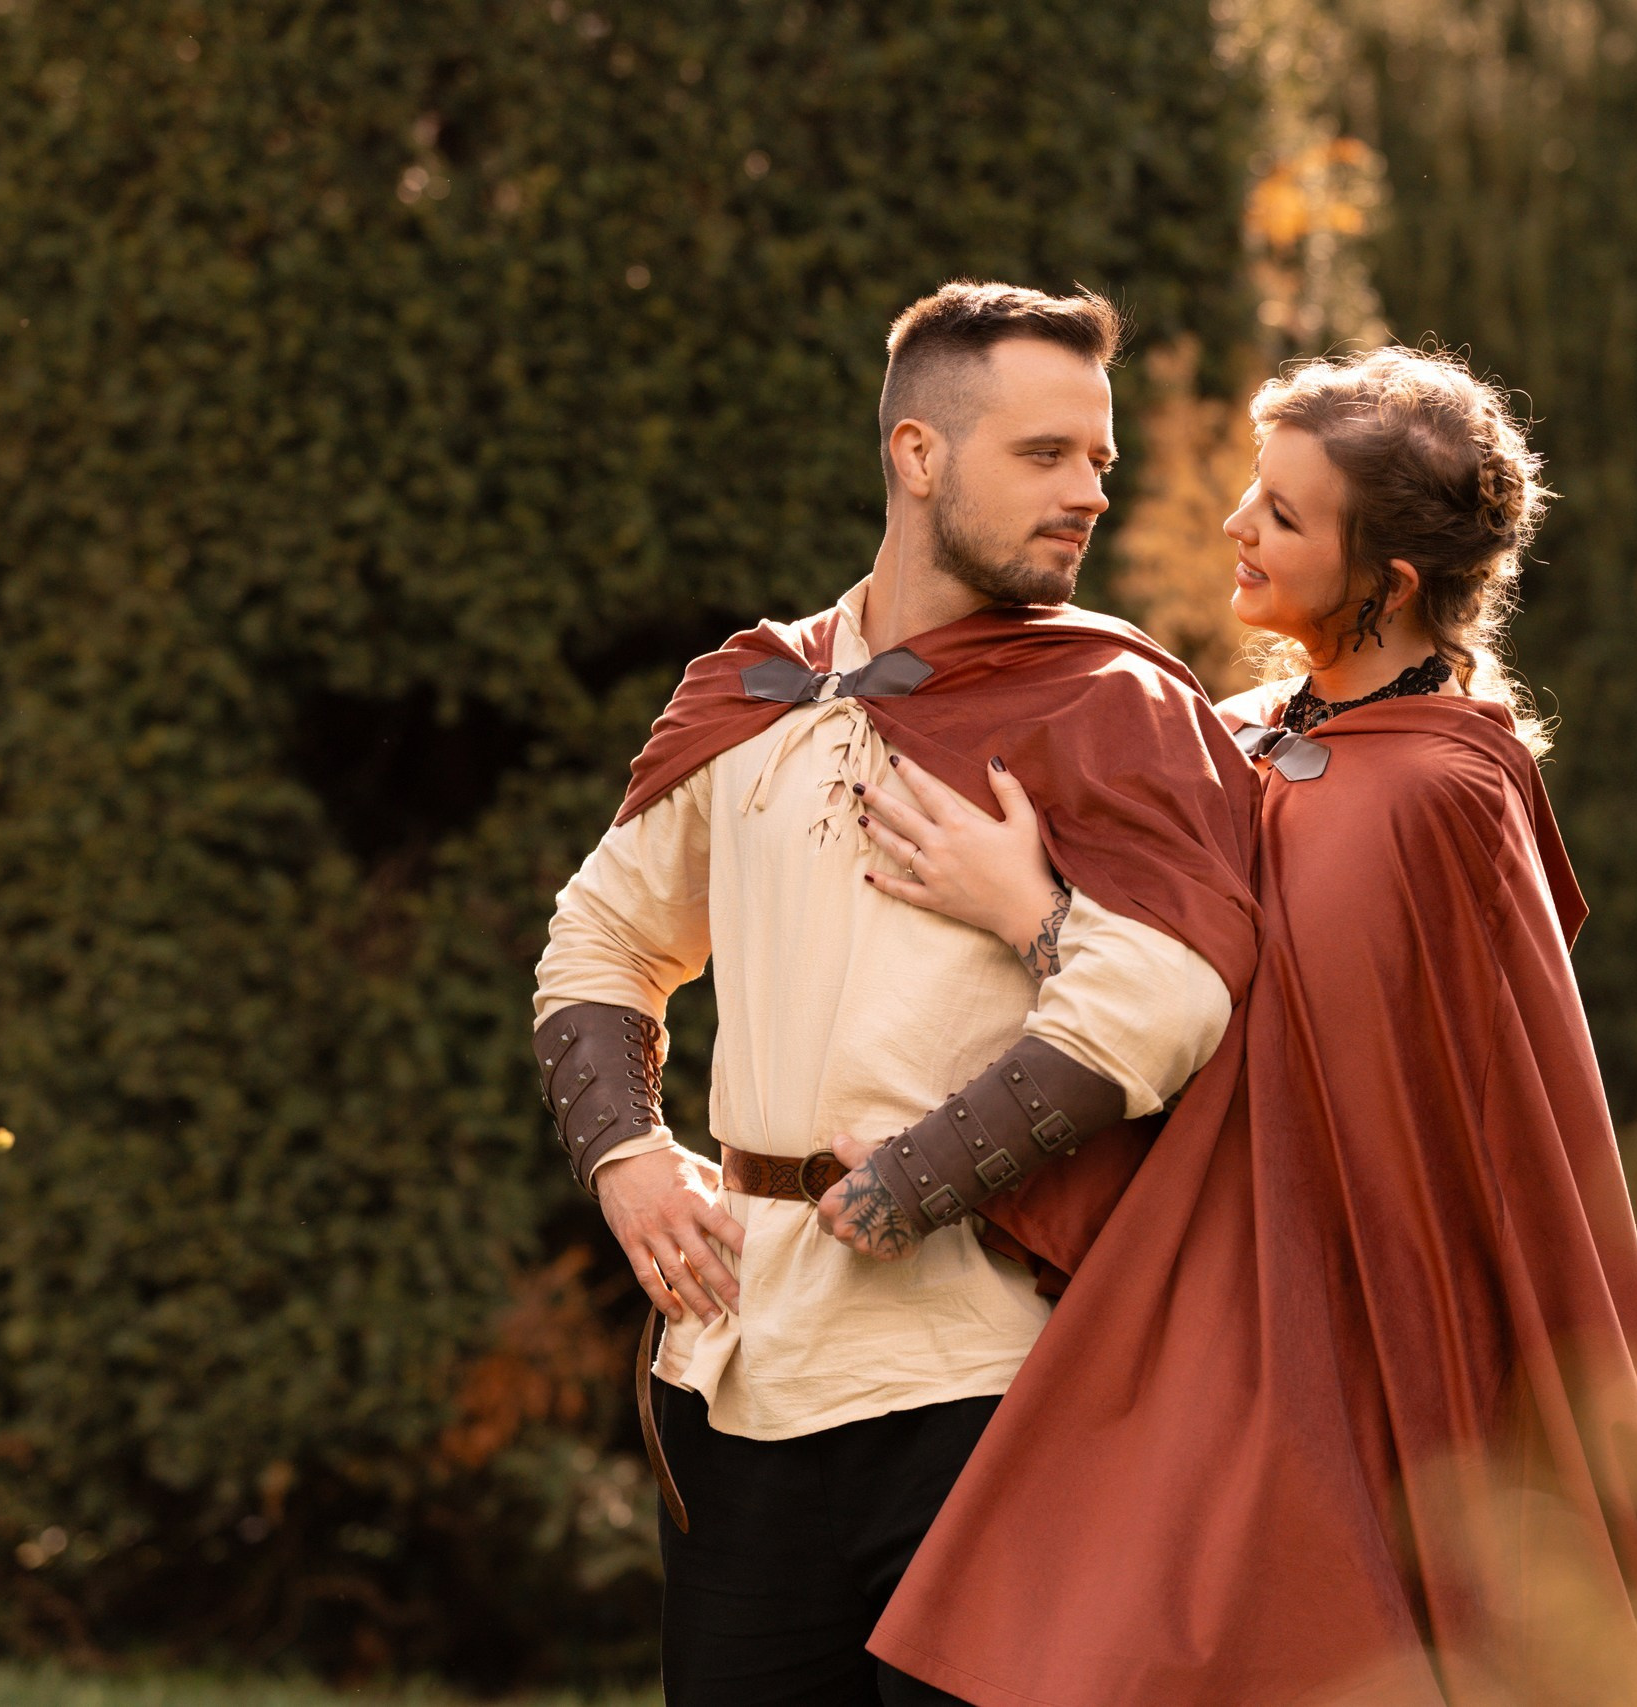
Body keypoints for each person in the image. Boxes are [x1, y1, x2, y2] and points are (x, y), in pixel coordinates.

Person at [856, 348, 1637, 1705]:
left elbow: (1259, 1071)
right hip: (1205, 1302)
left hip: (1316, 1342)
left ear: (1389, 584)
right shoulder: (1253, 729)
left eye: (1283, 516)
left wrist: (1034, 916)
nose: (1234, 528)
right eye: (1254, 494)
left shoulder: (1426, 799)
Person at [529, 281, 1261, 1707]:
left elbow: (1170, 995)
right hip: (739, 1370)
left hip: (988, 1381)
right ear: (918, 455)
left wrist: (921, 1177)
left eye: (1098, 461)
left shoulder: (1113, 701)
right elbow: (600, 939)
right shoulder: (753, 690)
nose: (1088, 494)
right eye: (1044, 456)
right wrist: (625, 1157)